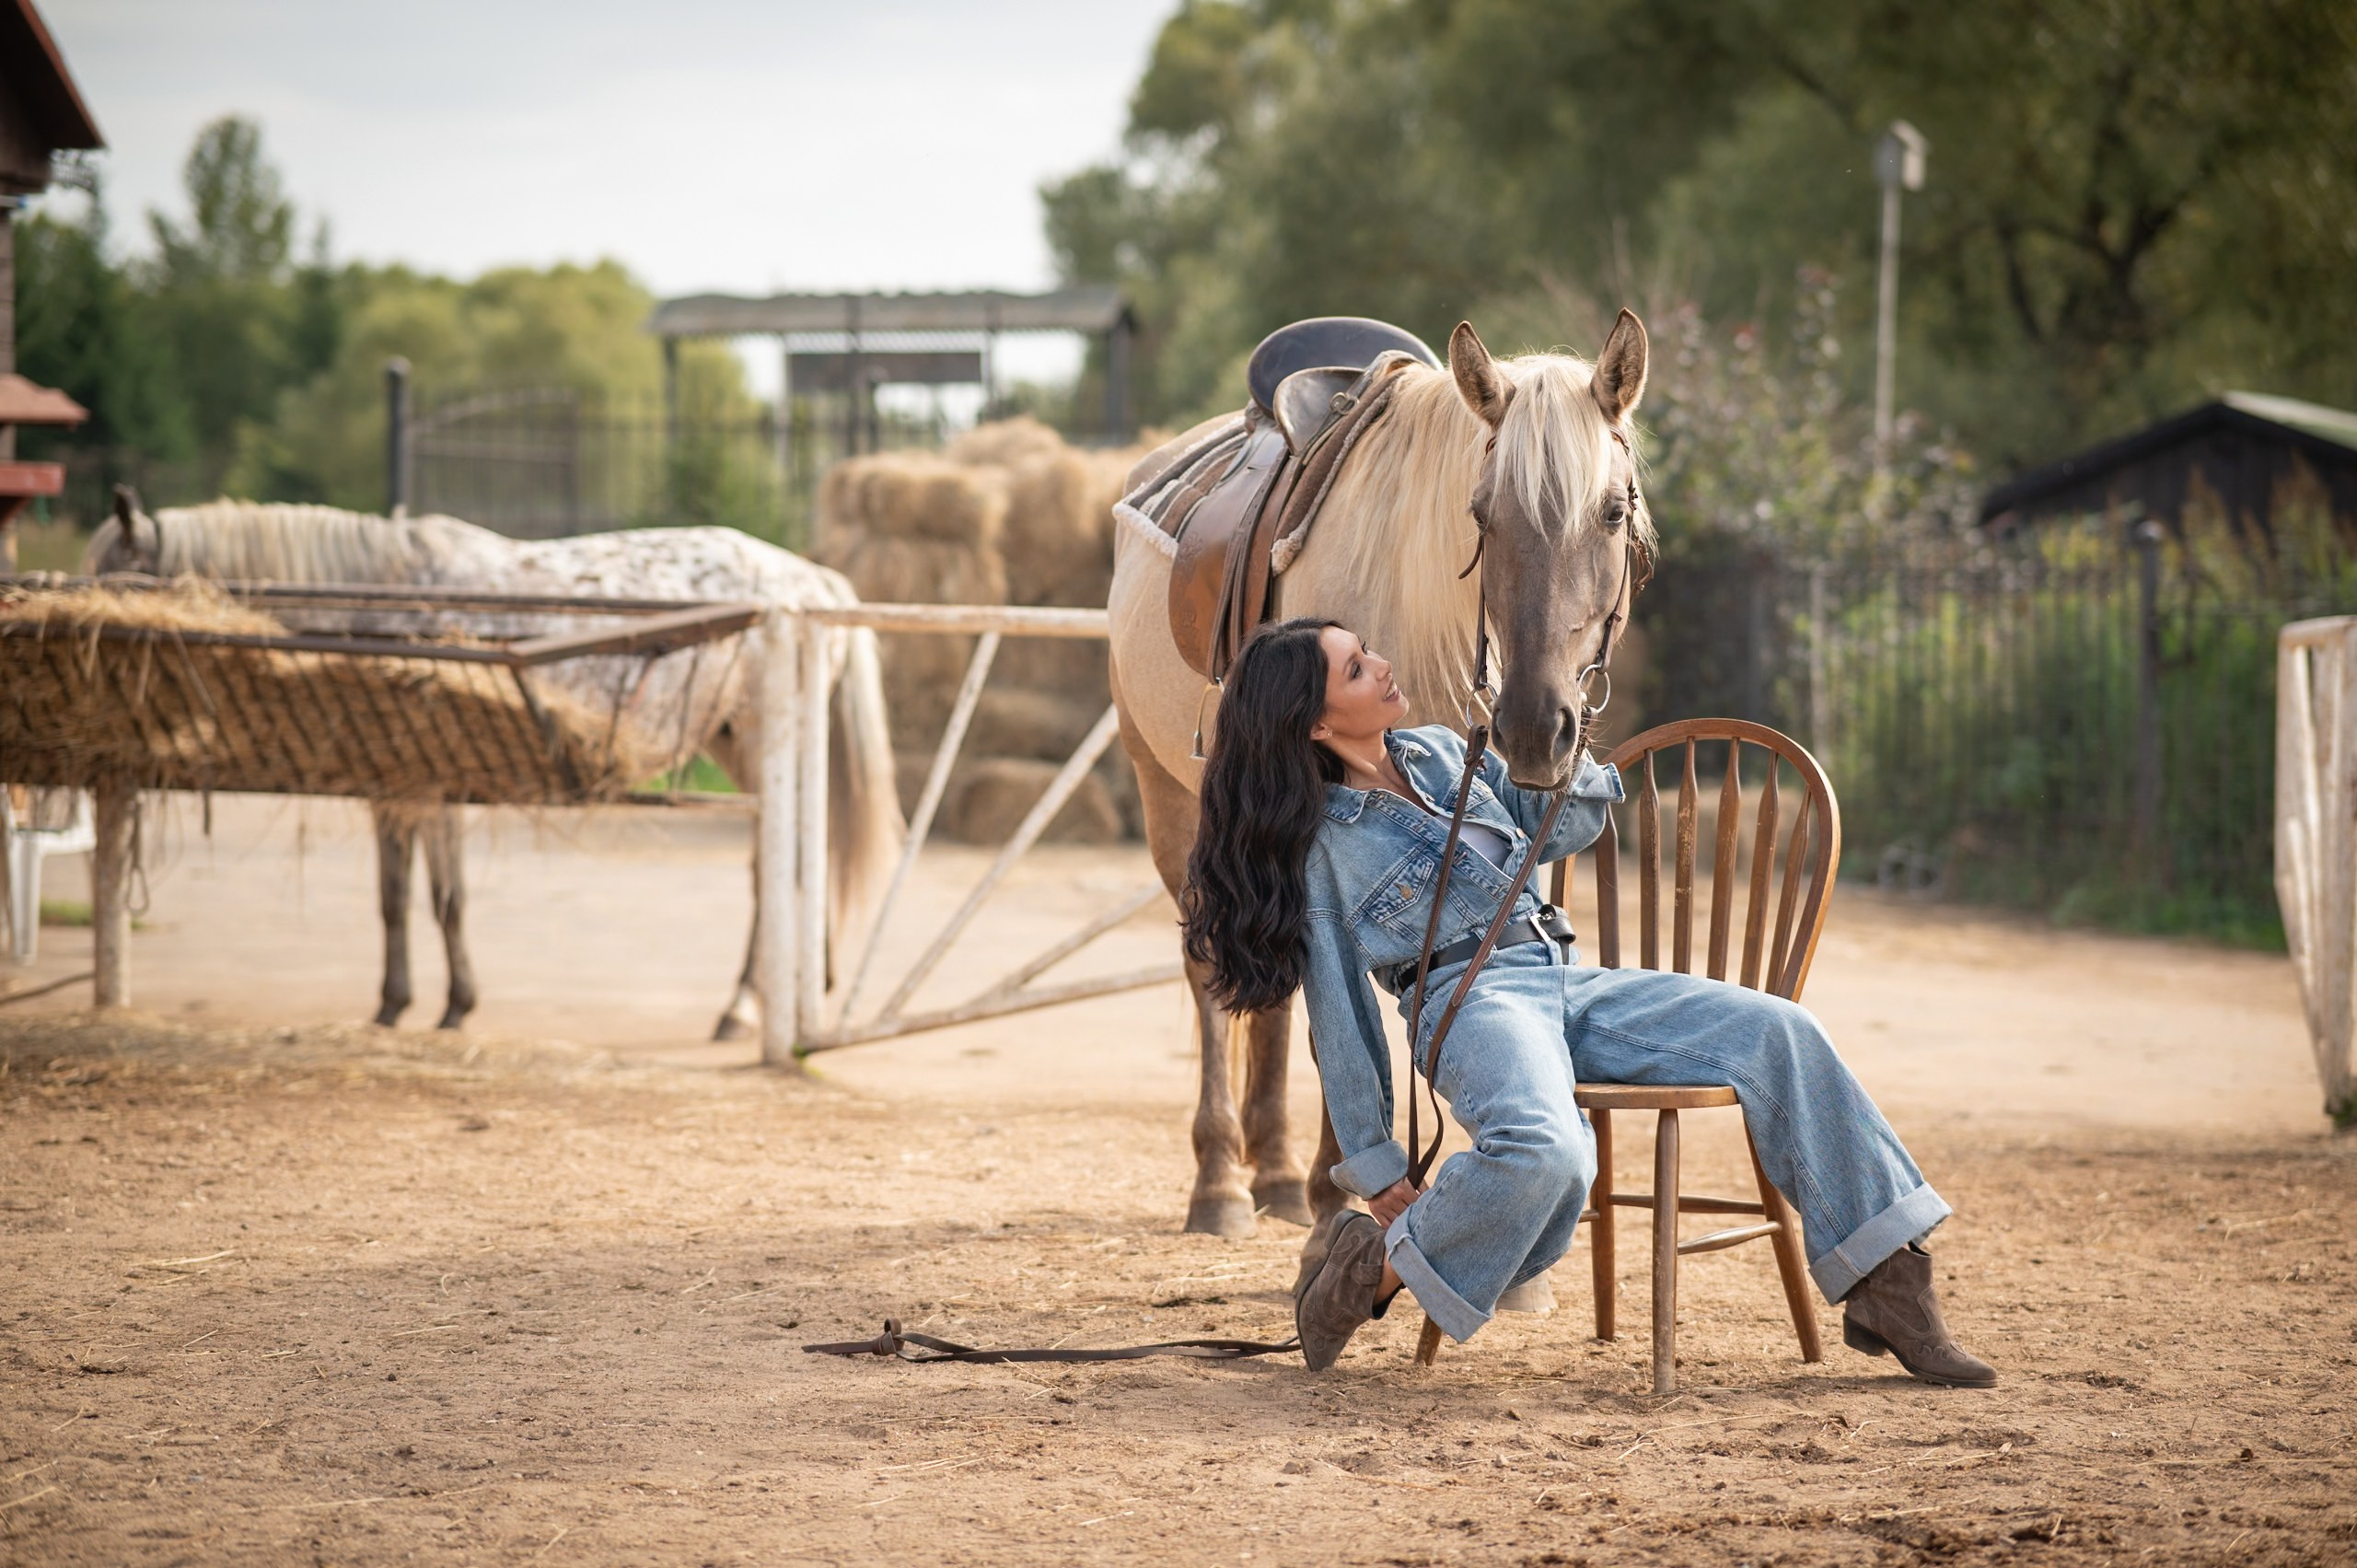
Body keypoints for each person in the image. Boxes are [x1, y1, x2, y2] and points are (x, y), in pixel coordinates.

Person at [1178, 617, 1995, 1386]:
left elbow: (1551, 828)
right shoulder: (1327, 843)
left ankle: (1891, 1280)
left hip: (1557, 973)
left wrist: (1555, 732)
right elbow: (1340, 1014)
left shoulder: (1434, 751)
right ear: (1317, 725)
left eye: (1367, 651)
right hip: (1469, 1001)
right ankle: (1370, 1270)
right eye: (1356, 668)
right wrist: (1374, 1160)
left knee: (1782, 1029)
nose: (1383, 665)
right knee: (1547, 1152)